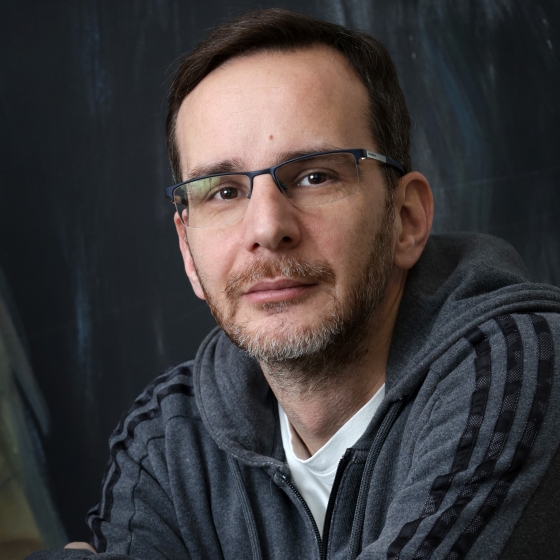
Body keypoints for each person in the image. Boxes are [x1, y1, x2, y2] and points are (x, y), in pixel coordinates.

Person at [30, 8, 560, 560]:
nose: (267, 228)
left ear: (405, 219)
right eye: (224, 192)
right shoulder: (170, 440)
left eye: (314, 176)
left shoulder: (519, 372)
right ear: (188, 251)